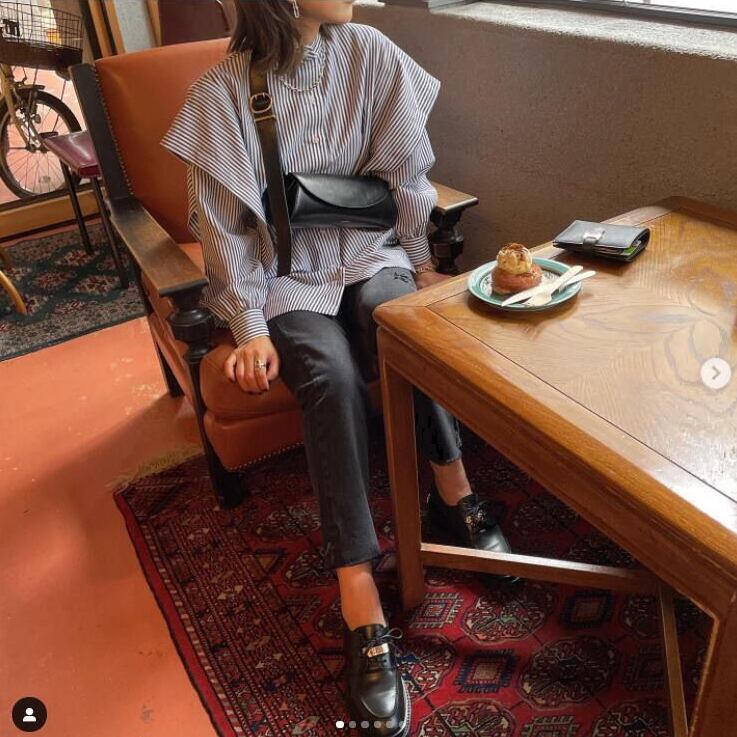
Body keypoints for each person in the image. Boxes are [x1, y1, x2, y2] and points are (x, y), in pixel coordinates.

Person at [161, 2, 512, 734]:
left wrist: (418, 265)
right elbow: (222, 228)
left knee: (404, 328)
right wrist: (248, 326)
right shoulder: (222, 93)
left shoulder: (371, 53)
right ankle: (360, 594)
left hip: (371, 255)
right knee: (328, 375)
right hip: (285, 278)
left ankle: (454, 492)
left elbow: (406, 172)